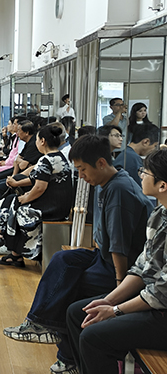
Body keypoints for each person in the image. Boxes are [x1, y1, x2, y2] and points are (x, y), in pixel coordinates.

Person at [2, 134, 152, 374]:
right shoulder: (108, 182)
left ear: (101, 163)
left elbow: (119, 246)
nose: (81, 176)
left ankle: (68, 358)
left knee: (72, 288)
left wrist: (118, 286)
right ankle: (39, 323)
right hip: (103, 257)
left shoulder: (119, 190)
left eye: (82, 169)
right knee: (63, 259)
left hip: (122, 267)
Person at [65, 149, 167, 374]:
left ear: (162, 185)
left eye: (145, 172)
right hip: (154, 301)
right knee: (77, 312)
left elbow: (161, 293)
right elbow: (142, 267)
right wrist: (109, 300)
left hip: (162, 312)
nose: (141, 176)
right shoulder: (160, 213)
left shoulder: (120, 188)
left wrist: (115, 310)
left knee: (93, 337)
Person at [0, 125, 74, 267]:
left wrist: (25, 198)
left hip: (52, 208)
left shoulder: (47, 159)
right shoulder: (59, 157)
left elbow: (39, 187)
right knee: (13, 201)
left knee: (17, 207)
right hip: (59, 205)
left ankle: (7, 243)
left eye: (37, 140)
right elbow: (37, 179)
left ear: (42, 141)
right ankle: (3, 238)